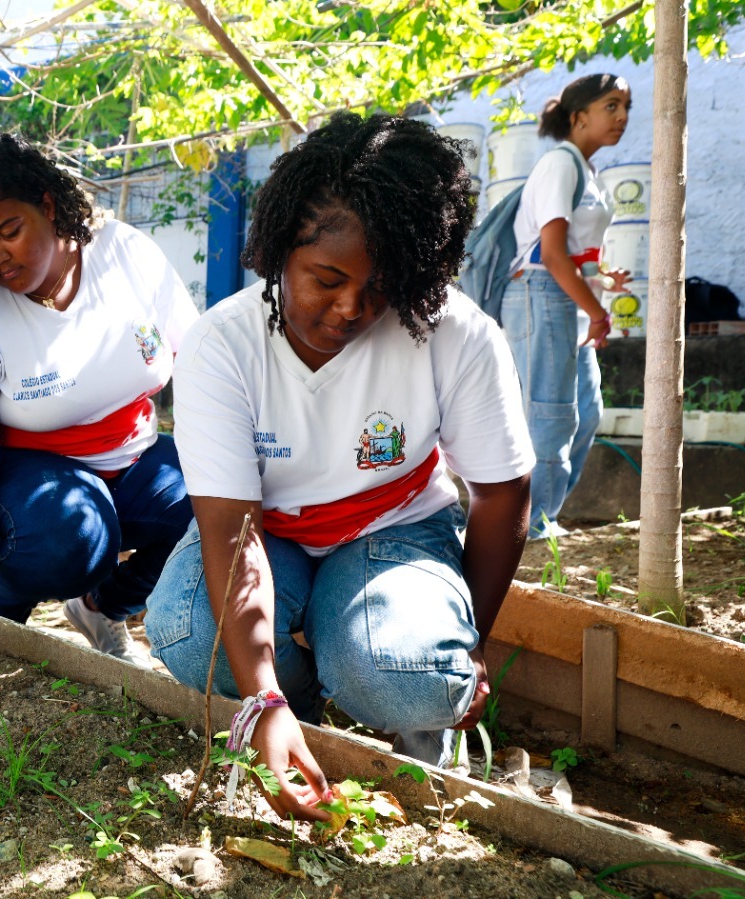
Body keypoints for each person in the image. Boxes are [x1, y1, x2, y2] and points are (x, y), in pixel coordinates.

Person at [143, 113, 533, 822]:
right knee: (188, 631)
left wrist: (472, 642)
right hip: (268, 535)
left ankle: (412, 722)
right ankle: (295, 714)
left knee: (408, 671)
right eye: (326, 278)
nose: (352, 307)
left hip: (396, 531)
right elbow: (232, 533)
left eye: (382, 285)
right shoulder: (220, 346)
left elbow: (502, 495)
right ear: (277, 250)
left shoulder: (456, 333)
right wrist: (263, 696)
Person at [0, 131, 197, 679]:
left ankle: (103, 606)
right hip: (11, 480)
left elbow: (198, 363)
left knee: (219, 496)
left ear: (49, 206)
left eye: (8, 231)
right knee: (73, 535)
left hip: (129, 457)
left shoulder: (124, 255)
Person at [504, 74, 633, 538]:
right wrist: (599, 311)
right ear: (579, 117)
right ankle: (532, 524)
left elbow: (573, 255)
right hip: (541, 294)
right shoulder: (561, 164)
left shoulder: (585, 169)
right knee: (550, 414)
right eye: (611, 105)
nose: (622, 116)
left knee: (586, 410)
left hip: (565, 297)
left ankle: (543, 514)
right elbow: (552, 255)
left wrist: (603, 280)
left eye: (626, 107)